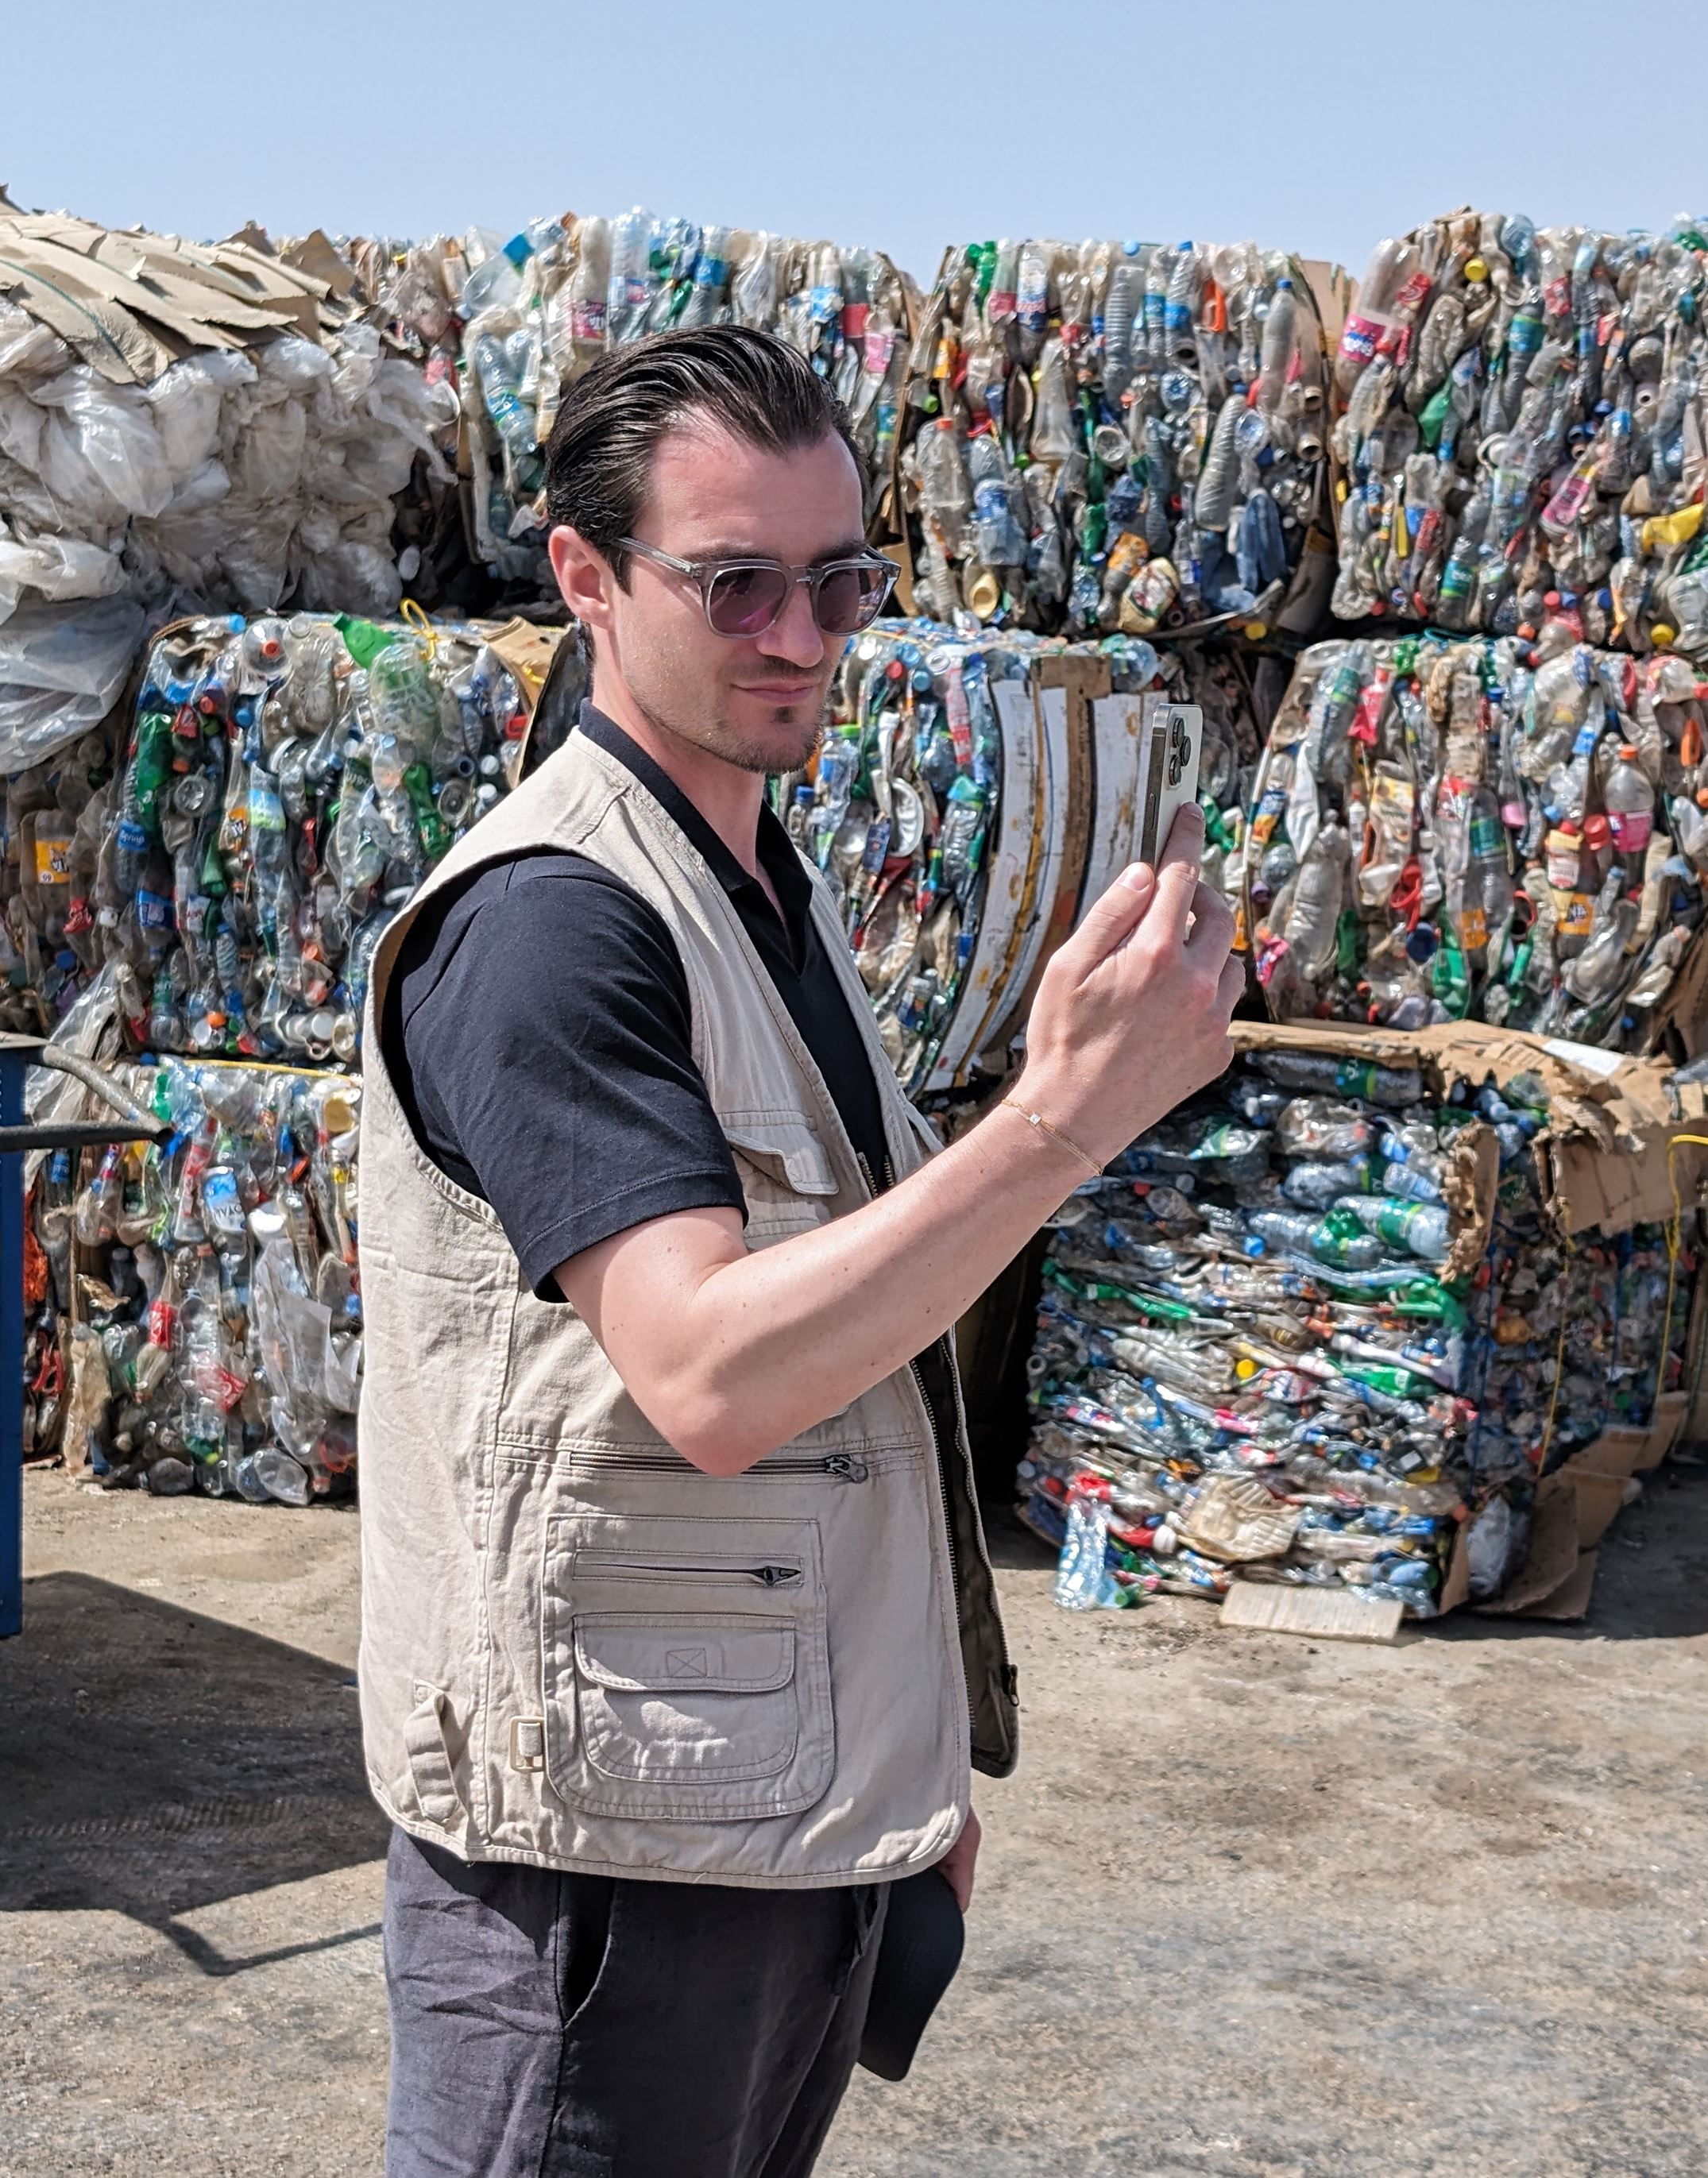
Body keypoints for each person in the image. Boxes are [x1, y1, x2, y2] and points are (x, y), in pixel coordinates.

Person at [357, 326, 1242, 2178]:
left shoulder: (760, 885)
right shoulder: (550, 929)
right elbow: (713, 1375)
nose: (802, 633)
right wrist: (1062, 1122)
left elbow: (872, 1362)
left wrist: (912, 1774)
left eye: (839, 579)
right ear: (586, 578)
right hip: (606, 1873)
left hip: (779, 1814)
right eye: (736, 580)